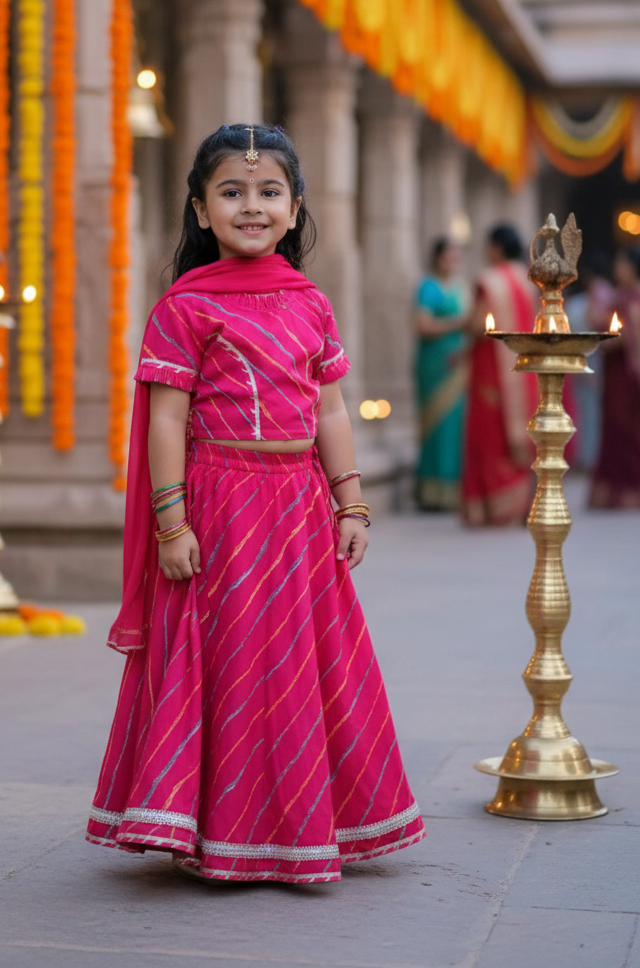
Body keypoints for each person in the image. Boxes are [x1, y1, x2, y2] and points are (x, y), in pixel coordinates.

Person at [87, 124, 424, 885]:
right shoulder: (185, 307)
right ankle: (221, 830)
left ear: (296, 206)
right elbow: (165, 420)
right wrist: (172, 523)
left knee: (302, 665)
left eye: (269, 192)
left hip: (297, 510)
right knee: (233, 664)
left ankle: (308, 825)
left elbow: (329, 412)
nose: (252, 205)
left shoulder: (309, 302)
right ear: (201, 210)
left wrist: (352, 506)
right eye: (231, 192)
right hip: (220, 509)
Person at [461, 224, 538, 526]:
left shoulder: (489, 281)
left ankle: (492, 509)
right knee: (516, 432)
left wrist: (466, 327)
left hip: (491, 371)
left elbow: (479, 325)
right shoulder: (527, 281)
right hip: (523, 371)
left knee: (489, 435)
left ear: (496, 248)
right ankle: (518, 504)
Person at [589, 247, 640, 509]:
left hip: (628, 378)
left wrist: (602, 340)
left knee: (626, 434)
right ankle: (637, 493)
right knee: (630, 436)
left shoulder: (632, 299)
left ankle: (625, 494)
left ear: (632, 267)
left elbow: (624, 337)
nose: (617, 269)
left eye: (621, 264)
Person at [414, 238, 468, 510]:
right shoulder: (428, 287)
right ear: (437, 258)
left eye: (456, 256)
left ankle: (453, 490)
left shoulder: (461, 287)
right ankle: (431, 491)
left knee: (456, 427)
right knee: (435, 426)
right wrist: (459, 323)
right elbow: (422, 325)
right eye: (448, 256)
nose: (453, 261)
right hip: (434, 364)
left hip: (458, 364)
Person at [565, 254, 614, 472]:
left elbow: (597, 322)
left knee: (591, 410)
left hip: (595, 357)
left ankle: (591, 457)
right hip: (589, 358)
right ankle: (588, 456)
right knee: (587, 409)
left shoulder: (598, 295)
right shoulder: (595, 297)